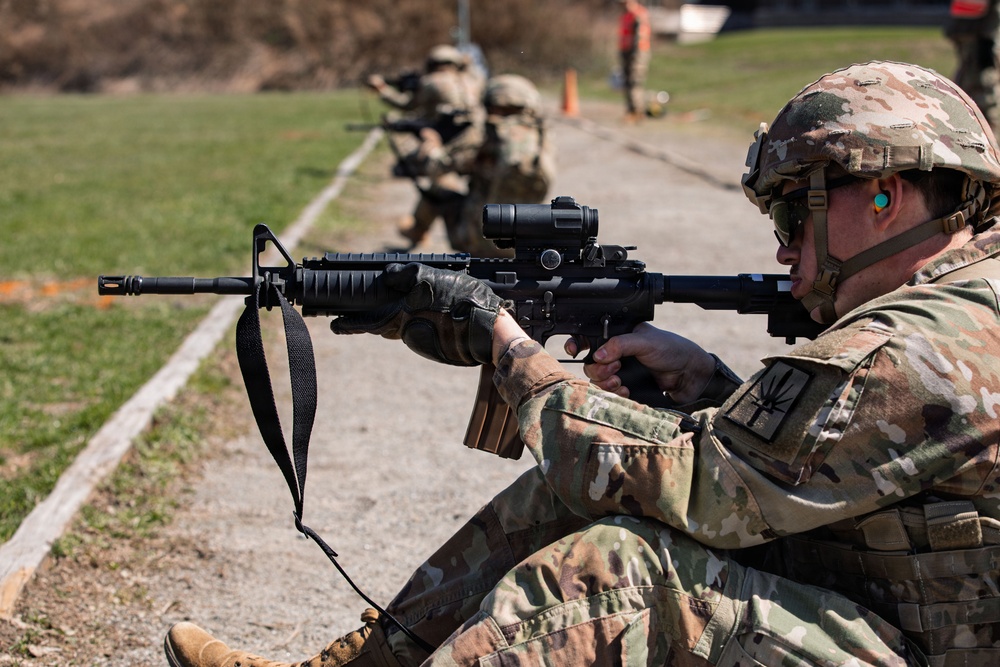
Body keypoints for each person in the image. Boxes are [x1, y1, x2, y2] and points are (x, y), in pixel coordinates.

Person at [165, 61, 1000, 666]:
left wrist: (515, 353)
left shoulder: (923, 342)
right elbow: (846, 456)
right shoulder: (959, 305)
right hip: (898, 615)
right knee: (569, 486)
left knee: (618, 575)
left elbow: (707, 488)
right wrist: (717, 388)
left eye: (794, 206)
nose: (782, 244)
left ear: (885, 195)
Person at [416, 74, 556, 257]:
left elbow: (436, 167)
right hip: (525, 243)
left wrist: (432, 145)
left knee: (441, 185)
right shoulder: (540, 137)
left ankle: (415, 231)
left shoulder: (483, 134)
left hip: (481, 238)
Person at [367, 44, 486, 249]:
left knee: (439, 185)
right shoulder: (472, 80)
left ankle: (423, 230)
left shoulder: (432, 82)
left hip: (451, 144)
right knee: (443, 185)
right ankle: (419, 229)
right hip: (477, 142)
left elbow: (407, 105)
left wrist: (382, 91)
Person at [945, 0, 1000, 129]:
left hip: (977, 31)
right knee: (977, 81)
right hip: (976, 30)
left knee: (975, 79)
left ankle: (983, 129)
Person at [617, 0, 651, 123]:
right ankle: (630, 110)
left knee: (634, 81)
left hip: (637, 53)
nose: (623, 6)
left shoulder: (638, 15)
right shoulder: (626, 15)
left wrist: (635, 54)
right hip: (626, 52)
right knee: (627, 82)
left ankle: (637, 111)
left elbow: (639, 37)